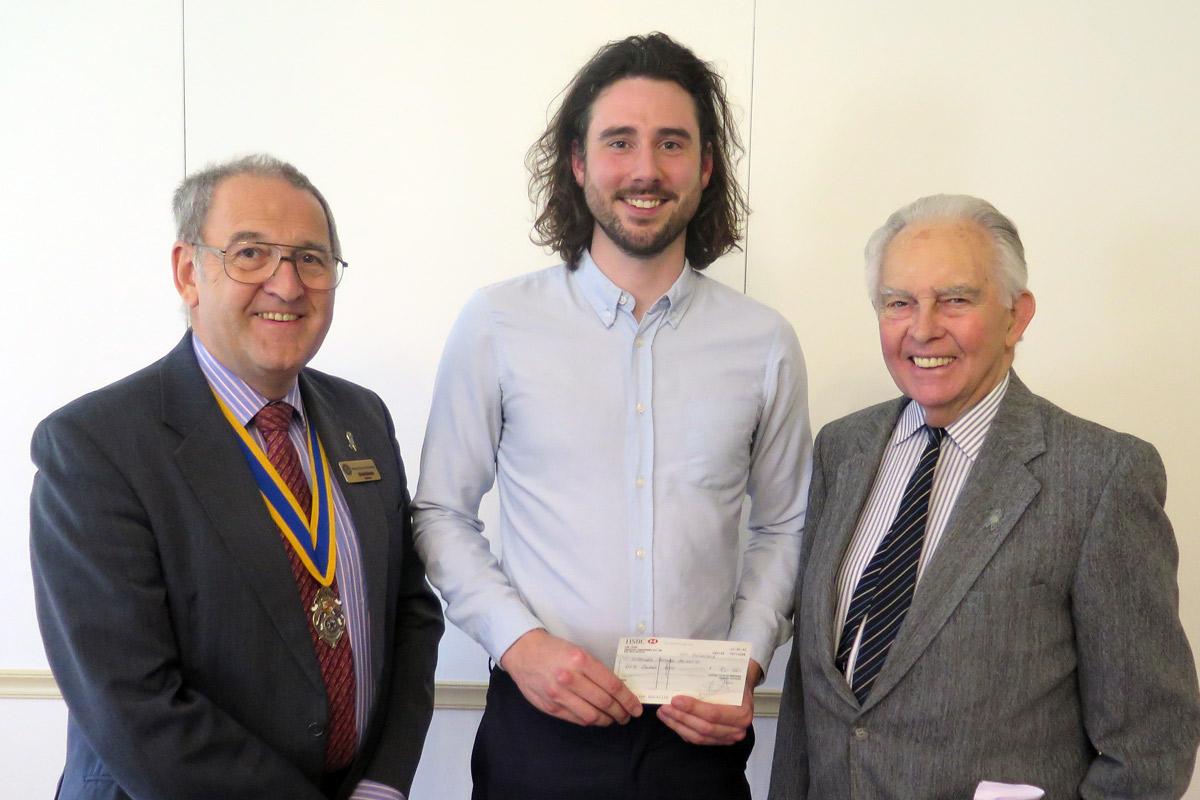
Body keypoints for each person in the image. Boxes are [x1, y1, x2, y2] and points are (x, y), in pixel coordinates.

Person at [412, 32, 812, 800]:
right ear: (578, 163)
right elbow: (440, 512)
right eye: (619, 142)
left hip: (695, 735)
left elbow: (786, 525)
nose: (645, 170)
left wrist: (749, 659)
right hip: (537, 724)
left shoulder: (764, 344)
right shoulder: (497, 324)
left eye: (672, 144)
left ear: (705, 168)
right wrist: (520, 646)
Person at [30, 154, 444, 800]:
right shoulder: (95, 447)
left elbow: (411, 614)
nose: (287, 284)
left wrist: (384, 783)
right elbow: (134, 703)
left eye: (311, 258)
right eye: (251, 253)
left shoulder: (363, 415)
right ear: (188, 272)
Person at [769, 194, 1200, 799]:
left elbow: (1151, 745)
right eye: (899, 303)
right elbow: (809, 700)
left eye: (955, 299)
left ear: (1016, 317)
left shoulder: (1102, 476)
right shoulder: (842, 450)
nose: (923, 328)